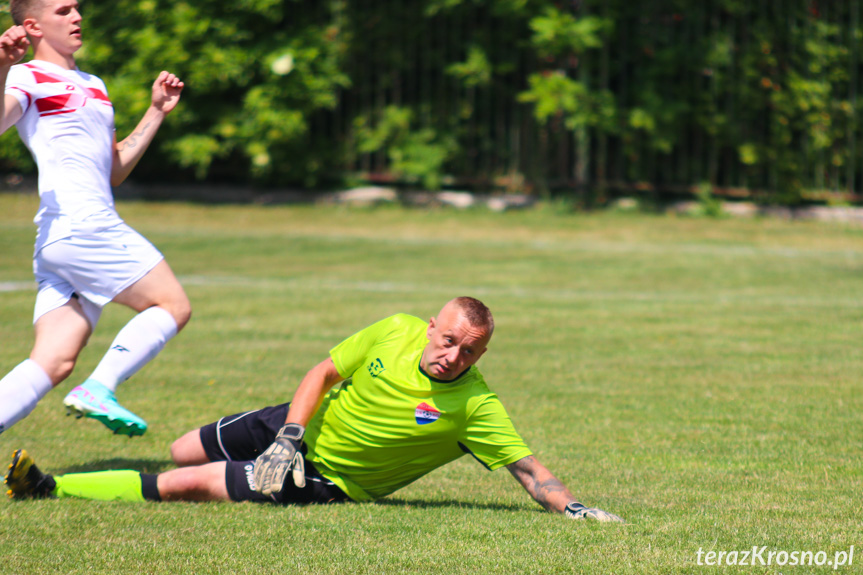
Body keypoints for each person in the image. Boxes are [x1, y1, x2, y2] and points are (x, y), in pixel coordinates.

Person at [4, 298, 624, 523]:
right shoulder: (396, 329)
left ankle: (48, 489)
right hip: (296, 424)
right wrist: (289, 434)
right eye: (448, 341)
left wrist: (572, 507)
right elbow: (323, 372)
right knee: (179, 449)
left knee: (185, 482)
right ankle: (269, 449)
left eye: (470, 351)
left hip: (326, 478)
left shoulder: (476, 406)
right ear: (432, 326)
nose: (454, 357)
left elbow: (529, 471)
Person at [0, 0, 191, 437]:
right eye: (64, 10)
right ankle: (100, 387)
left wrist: (156, 110)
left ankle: (90, 386)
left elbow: (114, 170)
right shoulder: (25, 76)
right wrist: (1, 64)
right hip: (82, 225)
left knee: (54, 361)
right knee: (173, 305)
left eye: (78, 9)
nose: (77, 17)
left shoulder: (94, 83)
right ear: (32, 26)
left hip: (61, 238)